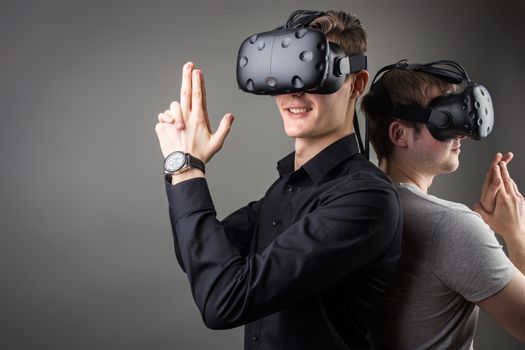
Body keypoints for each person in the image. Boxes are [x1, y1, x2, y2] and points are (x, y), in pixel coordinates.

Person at [154, 10, 402, 350]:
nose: (293, 93)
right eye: (284, 74)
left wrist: (186, 170)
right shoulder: (285, 189)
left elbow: (223, 300)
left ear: (355, 83)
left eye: (311, 73)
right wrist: (181, 163)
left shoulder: (365, 199)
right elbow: (199, 257)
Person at [361, 63, 525, 349]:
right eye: (445, 118)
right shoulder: (450, 225)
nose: (461, 134)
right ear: (399, 135)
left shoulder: (355, 206)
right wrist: (515, 234)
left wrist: (481, 230)